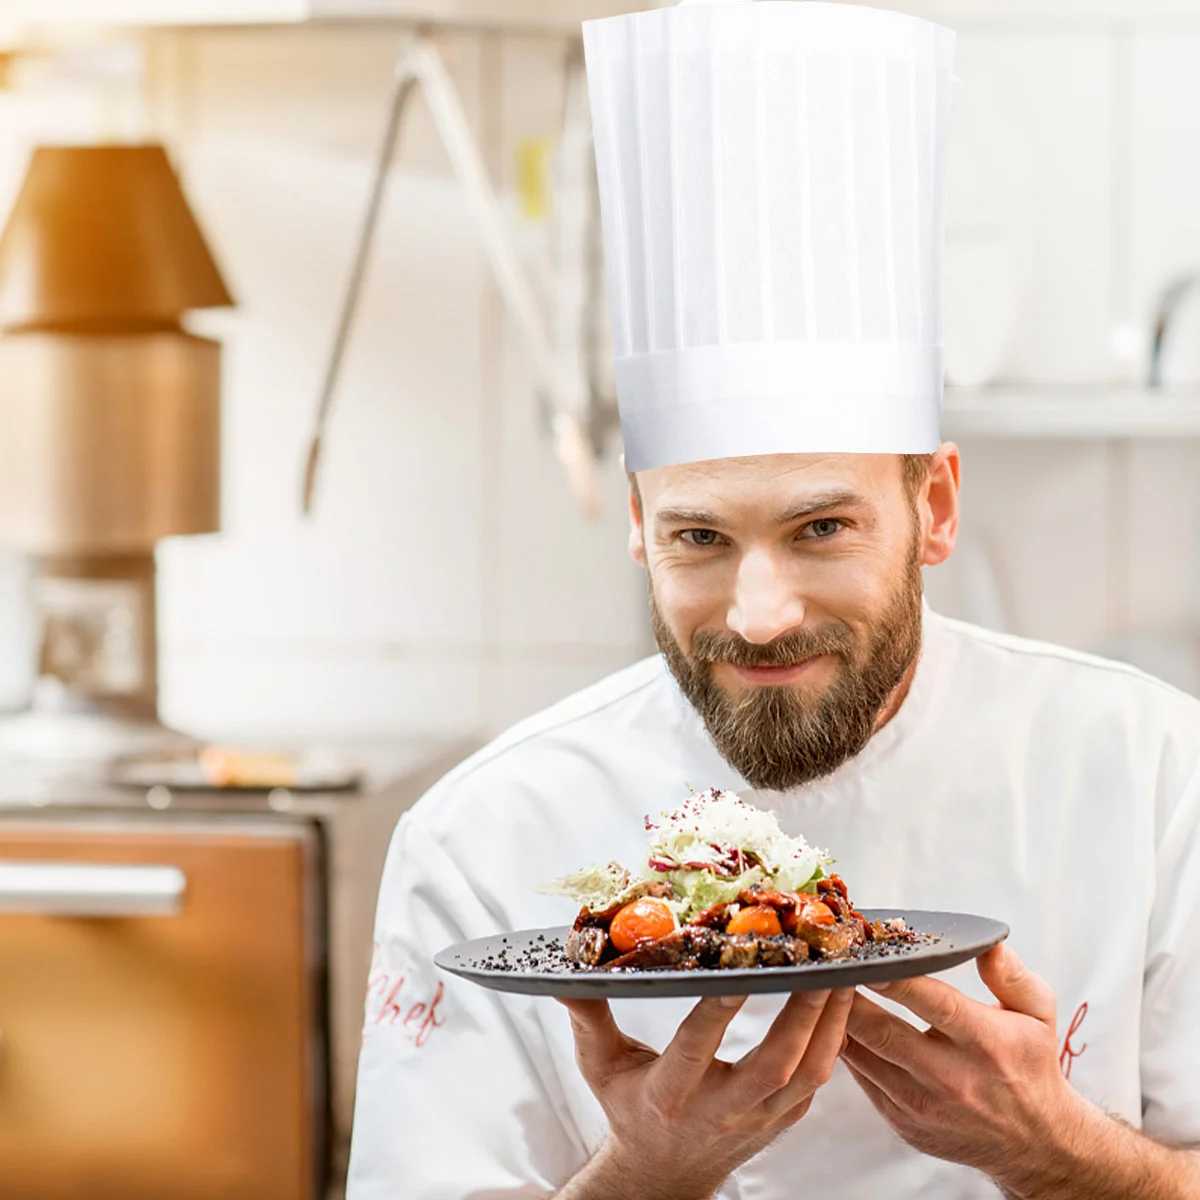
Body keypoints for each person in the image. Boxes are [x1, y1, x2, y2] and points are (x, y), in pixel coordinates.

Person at [346, 3, 1200, 1197]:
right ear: (638, 526)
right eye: (700, 536)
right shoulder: (483, 836)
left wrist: (1057, 1153)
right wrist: (645, 1176)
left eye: (822, 528)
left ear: (936, 509)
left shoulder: (1155, 770)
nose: (759, 611)